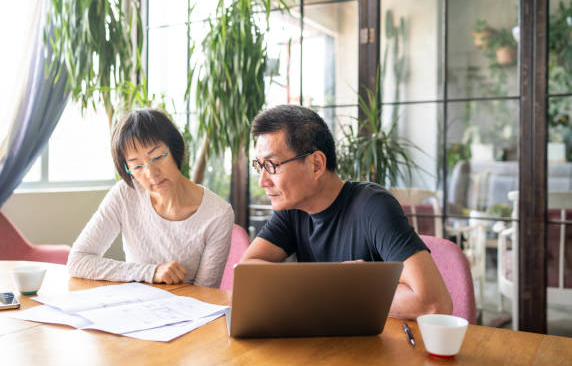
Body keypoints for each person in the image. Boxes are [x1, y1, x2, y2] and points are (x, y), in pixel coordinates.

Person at [240, 105, 453, 320]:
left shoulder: (373, 206)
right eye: (260, 167)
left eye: (272, 165)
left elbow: (434, 304)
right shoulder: (293, 209)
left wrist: (338, 290)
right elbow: (247, 271)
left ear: (316, 165)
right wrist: (333, 284)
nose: (262, 182)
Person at [67, 109, 234, 288]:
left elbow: (206, 295)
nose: (151, 174)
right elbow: (78, 260)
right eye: (137, 166)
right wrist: (150, 272)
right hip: (134, 309)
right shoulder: (125, 194)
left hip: (185, 312)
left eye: (157, 157)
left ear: (175, 148)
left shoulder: (218, 214)